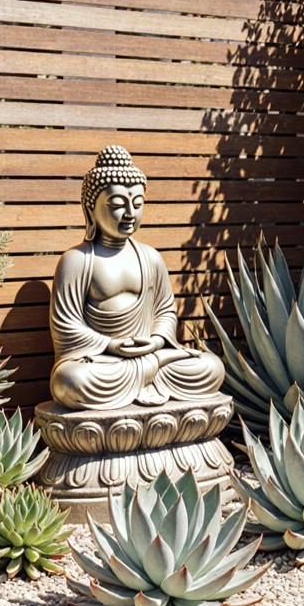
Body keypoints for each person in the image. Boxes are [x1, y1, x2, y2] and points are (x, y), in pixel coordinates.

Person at [49, 145, 224, 410]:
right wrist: (111, 345)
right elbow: (65, 326)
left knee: (211, 367)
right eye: (118, 204)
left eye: (138, 204)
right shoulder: (77, 260)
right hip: (106, 363)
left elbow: (165, 312)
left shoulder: (150, 257)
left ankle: (149, 374)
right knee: (69, 381)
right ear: (90, 208)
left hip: (152, 356)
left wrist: (155, 341)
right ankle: (147, 376)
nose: (130, 213)